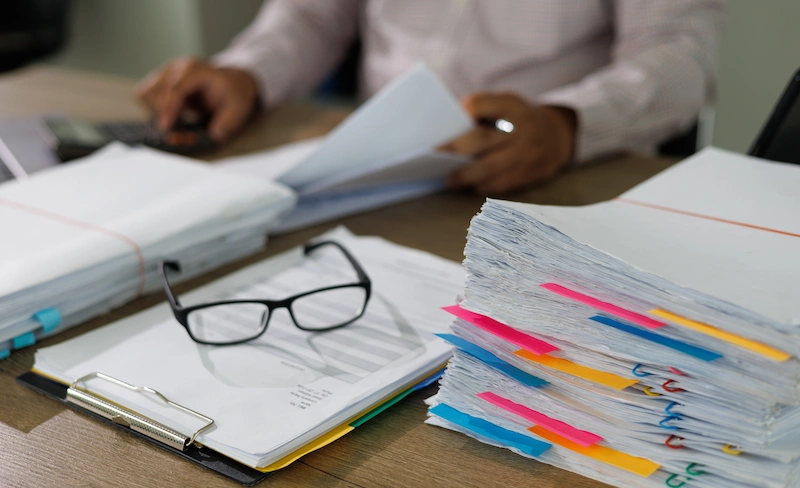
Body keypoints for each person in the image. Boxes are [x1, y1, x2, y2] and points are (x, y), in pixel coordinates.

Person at [137, 1, 725, 195]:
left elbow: (680, 55)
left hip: (547, 181)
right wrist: (248, 71)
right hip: (374, 172)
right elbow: (313, 15)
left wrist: (570, 125)